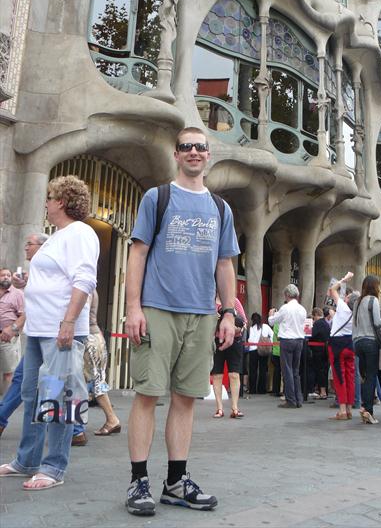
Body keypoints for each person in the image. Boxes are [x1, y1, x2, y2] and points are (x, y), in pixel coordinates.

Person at [124, 127, 239, 516]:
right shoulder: (157, 198)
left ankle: (176, 482)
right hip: (157, 309)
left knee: (186, 398)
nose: (193, 152)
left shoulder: (221, 208)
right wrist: (134, 307)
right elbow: (138, 254)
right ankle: (139, 481)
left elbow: (225, 264)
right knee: (147, 395)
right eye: (186, 146)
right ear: (176, 154)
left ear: (209, 155)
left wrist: (227, 311)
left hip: (202, 314)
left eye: (200, 147)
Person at [0, 175, 99, 489]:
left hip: (60, 331)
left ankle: (54, 467)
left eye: (50, 196)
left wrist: (69, 322)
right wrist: (26, 284)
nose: (46, 201)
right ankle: (27, 460)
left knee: (59, 399)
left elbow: (84, 279)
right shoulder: (58, 236)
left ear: (63, 202)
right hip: (39, 330)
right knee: (31, 395)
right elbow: (54, 279)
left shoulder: (80, 232)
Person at [0, 234, 48, 438]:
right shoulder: (37, 272)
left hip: (56, 336)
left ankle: (74, 430)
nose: (25, 247)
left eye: (29, 244)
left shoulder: (52, 270)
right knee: (23, 380)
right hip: (38, 334)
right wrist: (26, 283)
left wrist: (14, 328)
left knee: (60, 385)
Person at [83, 290, 121, 436]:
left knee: (95, 381)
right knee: (98, 380)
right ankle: (111, 419)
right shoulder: (91, 288)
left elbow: (82, 314)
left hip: (89, 339)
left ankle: (112, 419)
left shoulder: (85, 287)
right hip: (95, 337)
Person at [268, 284, 306, 409]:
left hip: (287, 340)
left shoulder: (285, 308)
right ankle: (298, 399)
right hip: (299, 340)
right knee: (295, 370)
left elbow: (272, 321)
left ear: (287, 295)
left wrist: (271, 314)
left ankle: (290, 399)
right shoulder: (302, 309)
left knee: (287, 370)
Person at [326, 273, 357, 421]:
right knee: (350, 376)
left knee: (339, 376)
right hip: (350, 344)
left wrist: (344, 279)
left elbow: (333, 289)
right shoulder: (356, 313)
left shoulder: (343, 307)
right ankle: (350, 409)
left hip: (337, 344)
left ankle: (343, 410)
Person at [352, 275, 381, 424]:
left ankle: (365, 408)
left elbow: (354, 324)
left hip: (358, 342)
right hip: (371, 341)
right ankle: (368, 410)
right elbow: (377, 322)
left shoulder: (357, 302)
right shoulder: (373, 300)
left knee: (363, 376)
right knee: (371, 376)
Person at [211, 296, 247, 419]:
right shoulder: (210, 302)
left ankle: (235, 408)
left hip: (234, 341)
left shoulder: (234, 301)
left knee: (234, 374)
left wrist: (237, 327)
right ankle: (219, 408)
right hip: (216, 340)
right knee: (217, 374)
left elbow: (244, 322)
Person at [0, 268, 25, 393]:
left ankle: (4, 405)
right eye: (3, 275)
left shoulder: (17, 294)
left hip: (8, 338)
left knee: (9, 372)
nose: (5, 277)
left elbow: (24, 315)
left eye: (8, 275)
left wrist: (12, 329)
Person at [247, 312, 273, 395]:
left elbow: (250, 340)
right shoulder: (265, 326)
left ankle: (252, 389)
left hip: (253, 350)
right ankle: (261, 389)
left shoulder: (251, 328)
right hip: (263, 349)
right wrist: (270, 344)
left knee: (253, 370)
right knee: (263, 369)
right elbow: (272, 335)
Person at [309, 307, 330, 399]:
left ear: (316, 315)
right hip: (326, 349)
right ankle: (324, 391)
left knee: (319, 370)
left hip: (318, 350)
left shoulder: (318, 323)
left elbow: (311, 335)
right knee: (324, 370)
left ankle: (322, 392)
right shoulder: (326, 323)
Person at [269, 321, 282, 397]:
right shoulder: (278, 324)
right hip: (278, 351)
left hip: (276, 351)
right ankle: (278, 390)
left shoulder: (277, 324)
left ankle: (276, 390)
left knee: (277, 371)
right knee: (278, 371)